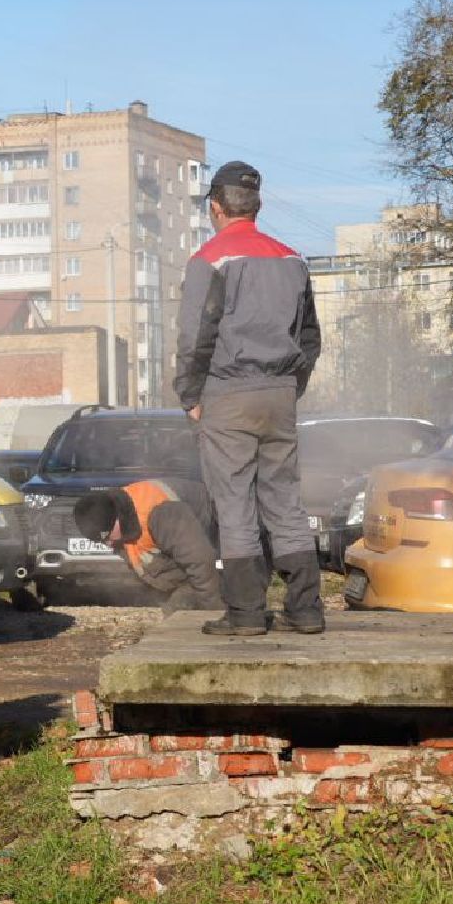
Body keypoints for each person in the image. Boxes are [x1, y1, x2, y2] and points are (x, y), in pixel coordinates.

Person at [174, 160, 324, 636]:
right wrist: (291, 386)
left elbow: (194, 338)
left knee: (235, 503)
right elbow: (310, 337)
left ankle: (246, 614)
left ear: (216, 208)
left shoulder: (209, 261)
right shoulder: (292, 260)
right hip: (280, 393)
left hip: (228, 393)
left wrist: (190, 395)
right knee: (285, 502)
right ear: (255, 207)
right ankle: (306, 609)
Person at [72, 481, 222, 612]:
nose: (108, 544)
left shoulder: (161, 514)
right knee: (175, 612)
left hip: (219, 528)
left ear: (116, 519)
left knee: (194, 608)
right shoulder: (120, 517)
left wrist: (214, 612)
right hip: (191, 561)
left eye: (106, 537)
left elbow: (201, 563)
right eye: (100, 541)